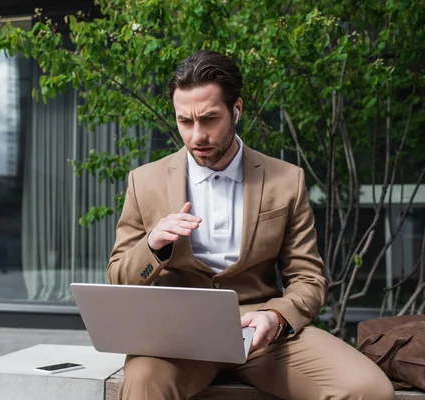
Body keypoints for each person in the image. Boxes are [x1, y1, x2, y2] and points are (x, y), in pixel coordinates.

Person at [106, 50, 395, 400]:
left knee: (370, 390)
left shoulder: (286, 180)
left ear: (237, 110)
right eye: (185, 121)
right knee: (144, 386)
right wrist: (152, 246)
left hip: (263, 333)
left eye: (210, 119)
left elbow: (308, 278)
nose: (197, 135)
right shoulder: (144, 181)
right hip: (177, 338)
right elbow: (118, 278)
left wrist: (277, 315)